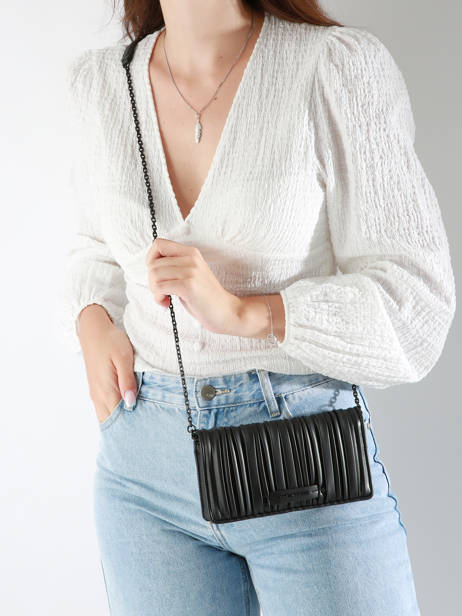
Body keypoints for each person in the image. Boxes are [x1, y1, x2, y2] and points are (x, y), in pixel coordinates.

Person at [58, 1, 455, 614]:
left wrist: (249, 313)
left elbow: (416, 302)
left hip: (303, 461)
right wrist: (93, 320)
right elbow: (95, 244)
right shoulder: (100, 83)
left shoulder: (332, 68)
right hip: (145, 472)